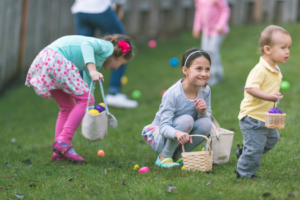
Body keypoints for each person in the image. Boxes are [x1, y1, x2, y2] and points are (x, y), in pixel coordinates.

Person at [25, 34, 134, 163]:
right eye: (121, 65)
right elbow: (86, 45)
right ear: (120, 55)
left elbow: (88, 91)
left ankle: (59, 151)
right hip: (56, 60)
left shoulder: (96, 61)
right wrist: (93, 70)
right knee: (83, 100)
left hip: (47, 59)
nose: (116, 68)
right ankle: (64, 141)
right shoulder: (107, 47)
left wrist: (90, 118)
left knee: (68, 107)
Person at [141, 48, 213, 168]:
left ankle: (179, 155)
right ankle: (164, 156)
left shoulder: (205, 90)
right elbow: (163, 127)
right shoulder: (173, 93)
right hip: (160, 137)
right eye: (199, 68)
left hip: (184, 134)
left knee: (206, 123)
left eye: (207, 69)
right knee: (187, 119)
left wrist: (203, 112)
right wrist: (177, 133)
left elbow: (208, 120)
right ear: (185, 70)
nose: (204, 74)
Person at [236, 25, 292, 178]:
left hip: (266, 117)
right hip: (253, 118)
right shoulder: (260, 69)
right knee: (255, 149)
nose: (287, 51)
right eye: (283, 47)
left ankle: (244, 152)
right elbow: (250, 88)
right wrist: (268, 96)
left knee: (272, 139)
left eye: (288, 47)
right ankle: (244, 174)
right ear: (267, 49)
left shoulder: (275, 68)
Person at [71, 0, 137, 108]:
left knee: (84, 51)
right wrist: (118, 11)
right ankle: (114, 93)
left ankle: (80, 97)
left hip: (81, 10)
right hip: (100, 9)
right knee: (123, 46)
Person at [192, 0, 230, 86]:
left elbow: (225, 10)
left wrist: (220, 25)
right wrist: (197, 27)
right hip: (206, 30)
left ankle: (216, 75)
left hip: (218, 30)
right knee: (204, 53)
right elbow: (198, 12)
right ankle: (206, 75)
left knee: (212, 51)